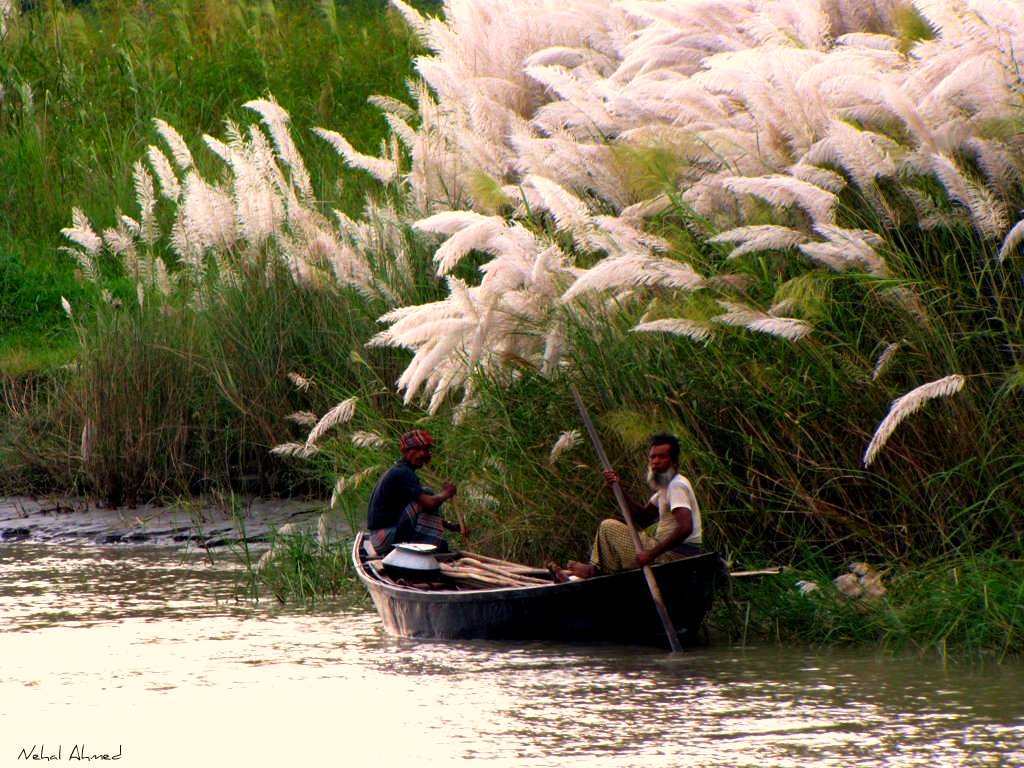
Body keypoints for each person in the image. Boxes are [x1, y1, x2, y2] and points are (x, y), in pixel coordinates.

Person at [552, 432, 702, 581]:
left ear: (674, 462)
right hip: (666, 551)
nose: (655, 461)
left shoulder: (677, 485)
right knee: (612, 534)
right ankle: (593, 574)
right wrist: (618, 489)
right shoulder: (665, 488)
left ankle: (593, 571)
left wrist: (651, 554)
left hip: (676, 555)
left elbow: (686, 527)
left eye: (662, 457)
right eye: (652, 457)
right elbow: (643, 517)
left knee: (608, 527)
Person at [365, 429, 467, 555]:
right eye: (416, 450)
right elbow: (429, 503)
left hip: (379, 539)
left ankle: (431, 545)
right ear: (405, 452)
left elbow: (420, 512)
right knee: (427, 494)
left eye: (424, 450)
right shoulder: (403, 473)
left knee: (423, 497)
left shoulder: (400, 470)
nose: (421, 454)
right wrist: (447, 492)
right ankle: (427, 545)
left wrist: (452, 527)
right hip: (384, 539)